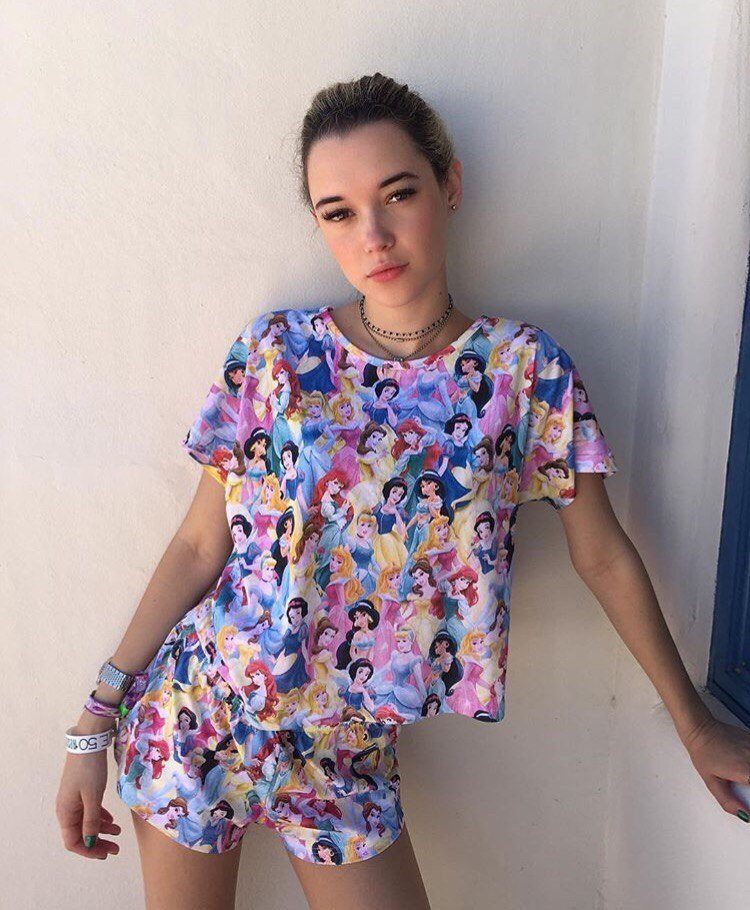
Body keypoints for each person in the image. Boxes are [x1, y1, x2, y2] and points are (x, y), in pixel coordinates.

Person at [56, 72, 750, 910]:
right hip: (199, 713)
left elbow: (601, 555)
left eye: (398, 194)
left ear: (448, 186)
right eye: (338, 212)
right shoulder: (276, 353)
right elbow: (202, 545)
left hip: (349, 748)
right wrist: (93, 720)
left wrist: (695, 725)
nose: (374, 235)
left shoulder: (522, 370)